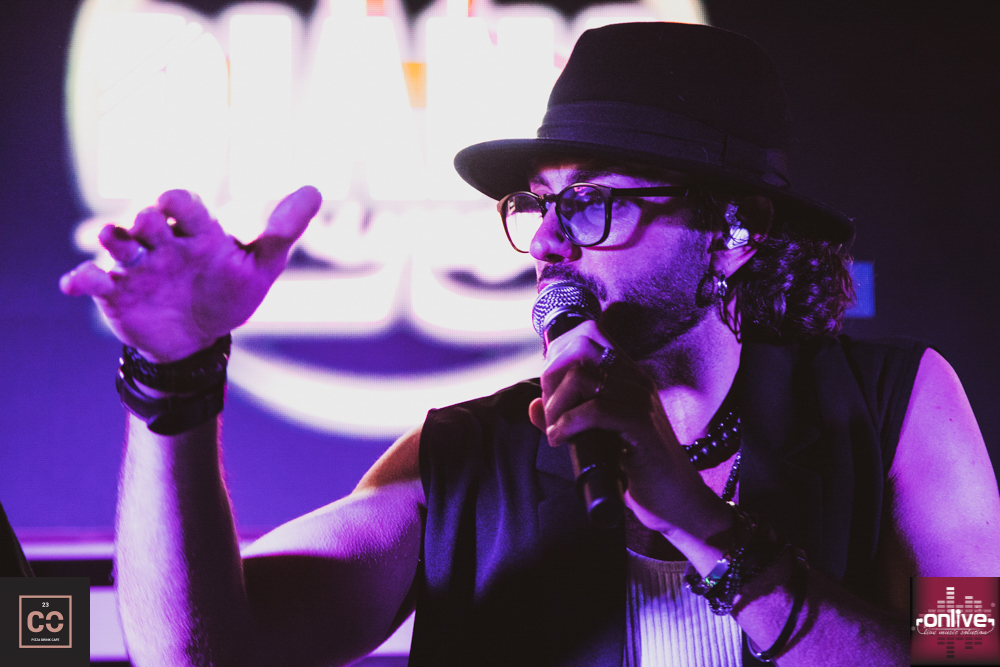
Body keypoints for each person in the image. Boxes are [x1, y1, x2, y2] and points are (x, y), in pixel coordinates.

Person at [59, 22, 999, 667]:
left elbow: (973, 648)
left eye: (592, 202)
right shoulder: (465, 458)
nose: (549, 237)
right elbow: (197, 652)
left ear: (736, 228)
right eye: (536, 203)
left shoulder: (896, 404)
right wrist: (175, 374)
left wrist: (700, 525)